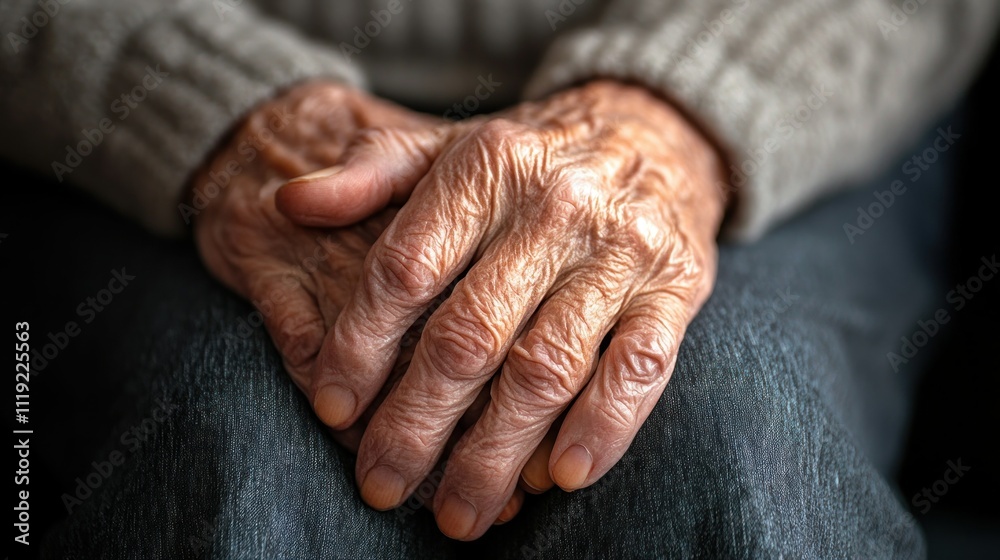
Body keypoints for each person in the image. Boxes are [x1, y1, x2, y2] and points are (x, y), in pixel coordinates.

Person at [2, 0, 997, 557]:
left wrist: (674, 115)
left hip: (769, 72)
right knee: (220, 452)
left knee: (730, 435)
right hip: (139, 100)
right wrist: (204, 102)